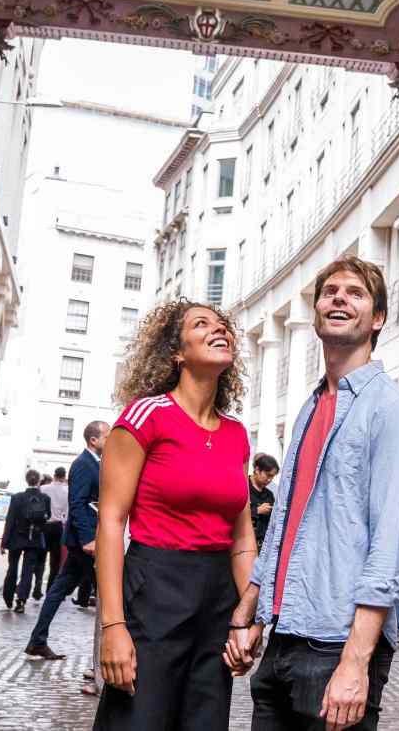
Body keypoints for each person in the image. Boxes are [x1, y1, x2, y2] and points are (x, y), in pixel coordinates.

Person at [227, 257, 399, 731]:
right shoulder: (311, 407)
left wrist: (356, 662)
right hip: (285, 640)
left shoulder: (392, 412)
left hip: (338, 644)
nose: (339, 298)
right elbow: (285, 524)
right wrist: (252, 610)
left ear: (377, 318)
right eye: (330, 291)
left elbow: (388, 551)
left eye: (355, 293)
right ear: (318, 311)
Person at [92, 300, 255, 731]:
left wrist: (246, 618)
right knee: (138, 720)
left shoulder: (236, 435)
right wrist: (113, 626)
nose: (219, 330)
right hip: (155, 589)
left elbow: (242, 539)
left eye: (224, 326)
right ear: (175, 353)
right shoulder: (146, 416)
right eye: (202, 324)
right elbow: (110, 523)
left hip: (217, 597)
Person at [26, 421, 107, 661]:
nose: (111, 440)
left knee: (59, 589)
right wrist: (87, 540)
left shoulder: (96, 463)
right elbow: (78, 503)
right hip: (84, 543)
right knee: (108, 596)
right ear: (94, 440)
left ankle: (37, 641)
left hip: (84, 542)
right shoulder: (83, 464)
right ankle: (102, 662)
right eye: (107, 435)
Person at [1, 469, 50, 613]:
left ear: (26, 480)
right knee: (28, 571)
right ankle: (21, 600)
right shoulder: (45, 498)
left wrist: (4, 541)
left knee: (12, 568)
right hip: (34, 539)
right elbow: (47, 518)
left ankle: (8, 596)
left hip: (17, 537)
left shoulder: (17, 498)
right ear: (39, 481)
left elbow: (10, 520)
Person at [40, 466, 69, 600]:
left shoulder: (44, 489)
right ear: (64, 476)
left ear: (54, 475)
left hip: (45, 526)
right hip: (58, 526)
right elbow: (67, 513)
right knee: (55, 562)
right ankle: (50, 589)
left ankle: (37, 587)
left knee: (40, 558)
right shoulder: (67, 491)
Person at [249, 453, 279, 548]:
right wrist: (256, 511)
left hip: (262, 547)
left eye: (272, 477)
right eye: (268, 475)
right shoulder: (243, 487)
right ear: (257, 470)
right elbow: (233, 513)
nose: (269, 480)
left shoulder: (269, 495)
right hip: (244, 545)